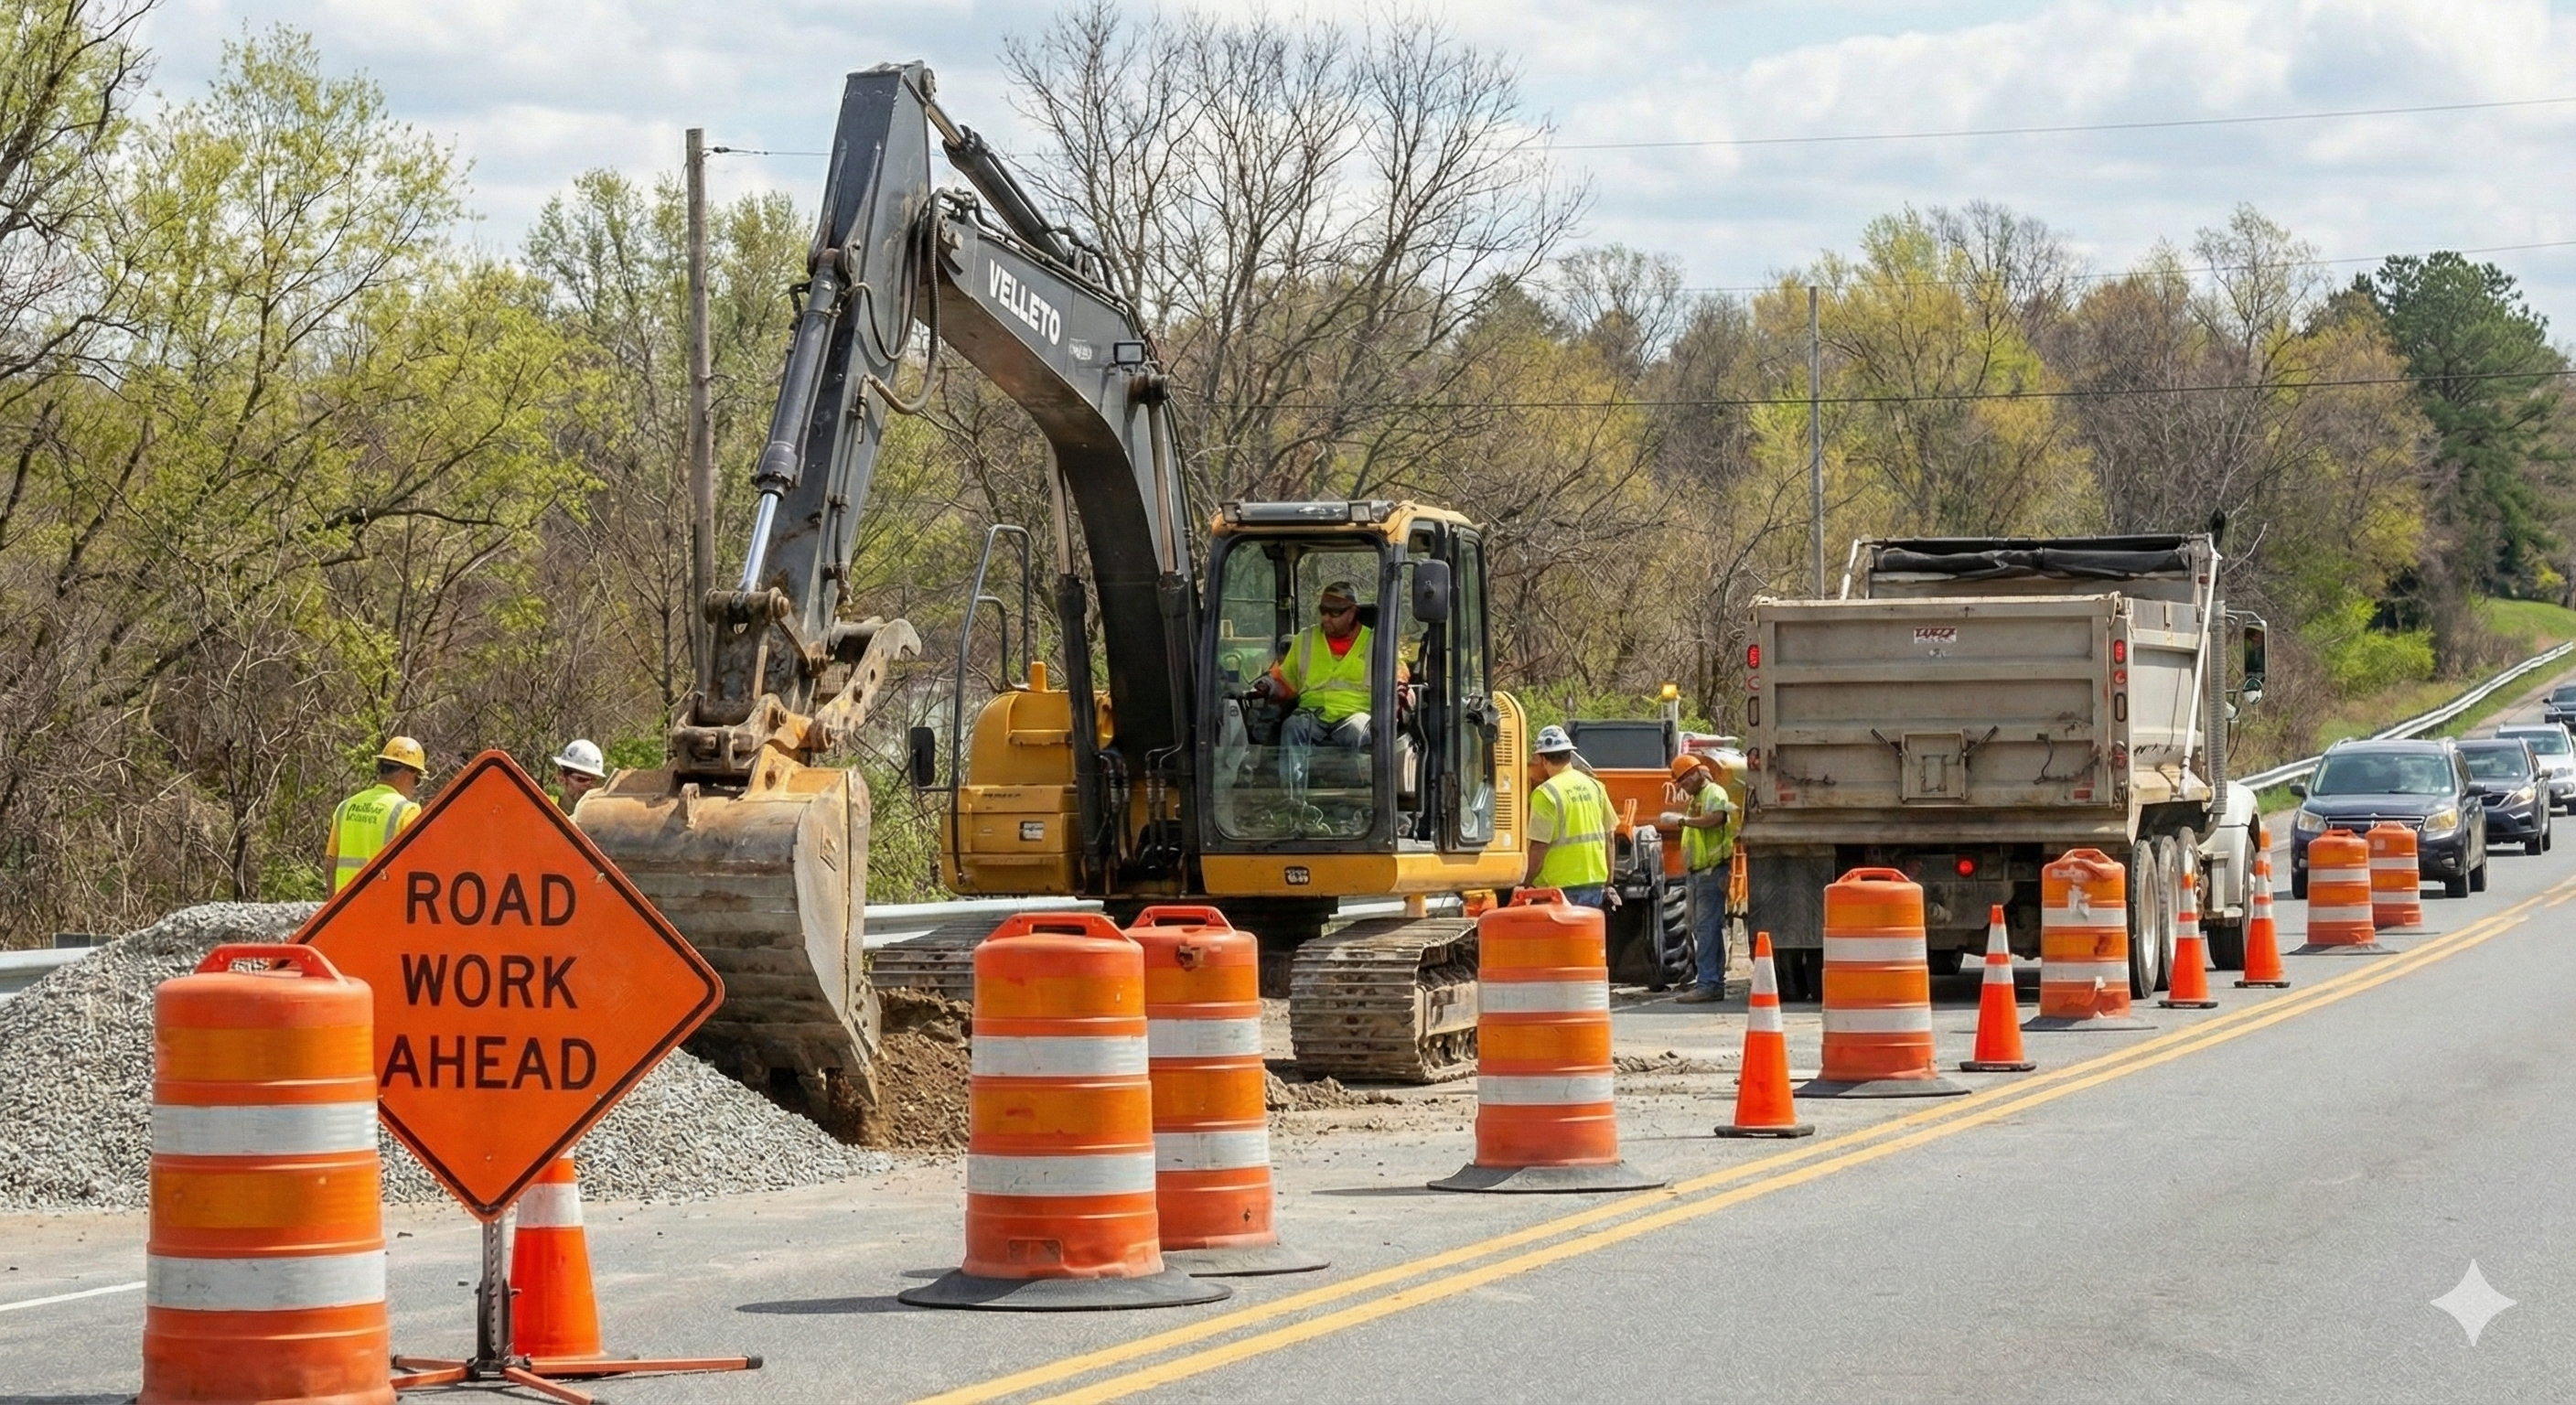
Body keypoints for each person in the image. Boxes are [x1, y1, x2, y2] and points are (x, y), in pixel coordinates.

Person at [1257, 580, 1381, 797]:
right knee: (1292, 726)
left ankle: (1361, 798)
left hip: (1356, 714)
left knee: (1357, 734)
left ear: (1353, 612)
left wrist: (1401, 695)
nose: (1326, 618)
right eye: (1323, 611)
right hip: (1312, 714)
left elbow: (1398, 677)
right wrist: (1268, 687)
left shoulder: (1376, 642)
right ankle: (1293, 800)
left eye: (1334, 613)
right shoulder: (1305, 639)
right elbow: (1286, 680)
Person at [1665, 754, 1740, 1003]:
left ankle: (1709, 983)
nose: (1683, 788)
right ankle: (1711, 980)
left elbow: (1717, 819)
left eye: (1684, 782)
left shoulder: (1714, 793)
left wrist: (1683, 821)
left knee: (1707, 929)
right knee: (1704, 928)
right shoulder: (1698, 797)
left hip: (1711, 871)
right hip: (1700, 873)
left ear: (1696, 774)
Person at [1524, 724, 1618, 909]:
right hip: (1595, 887)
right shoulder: (1595, 786)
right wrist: (1609, 883)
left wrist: (1525, 882)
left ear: (1542, 758)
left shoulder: (1545, 794)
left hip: (1558, 891)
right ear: (1569, 755)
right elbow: (1610, 838)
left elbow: (1539, 846)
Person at [325, 737, 428, 894]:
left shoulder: (345, 807)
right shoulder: (407, 811)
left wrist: (334, 912)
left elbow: (330, 864)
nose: (415, 787)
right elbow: (417, 870)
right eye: (417, 779)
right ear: (407, 774)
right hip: (383, 911)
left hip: (346, 912)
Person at [553, 738, 607, 813]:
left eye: (595, 781)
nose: (591, 787)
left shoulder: (600, 820)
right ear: (561, 777)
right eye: (582, 779)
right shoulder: (544, 810)